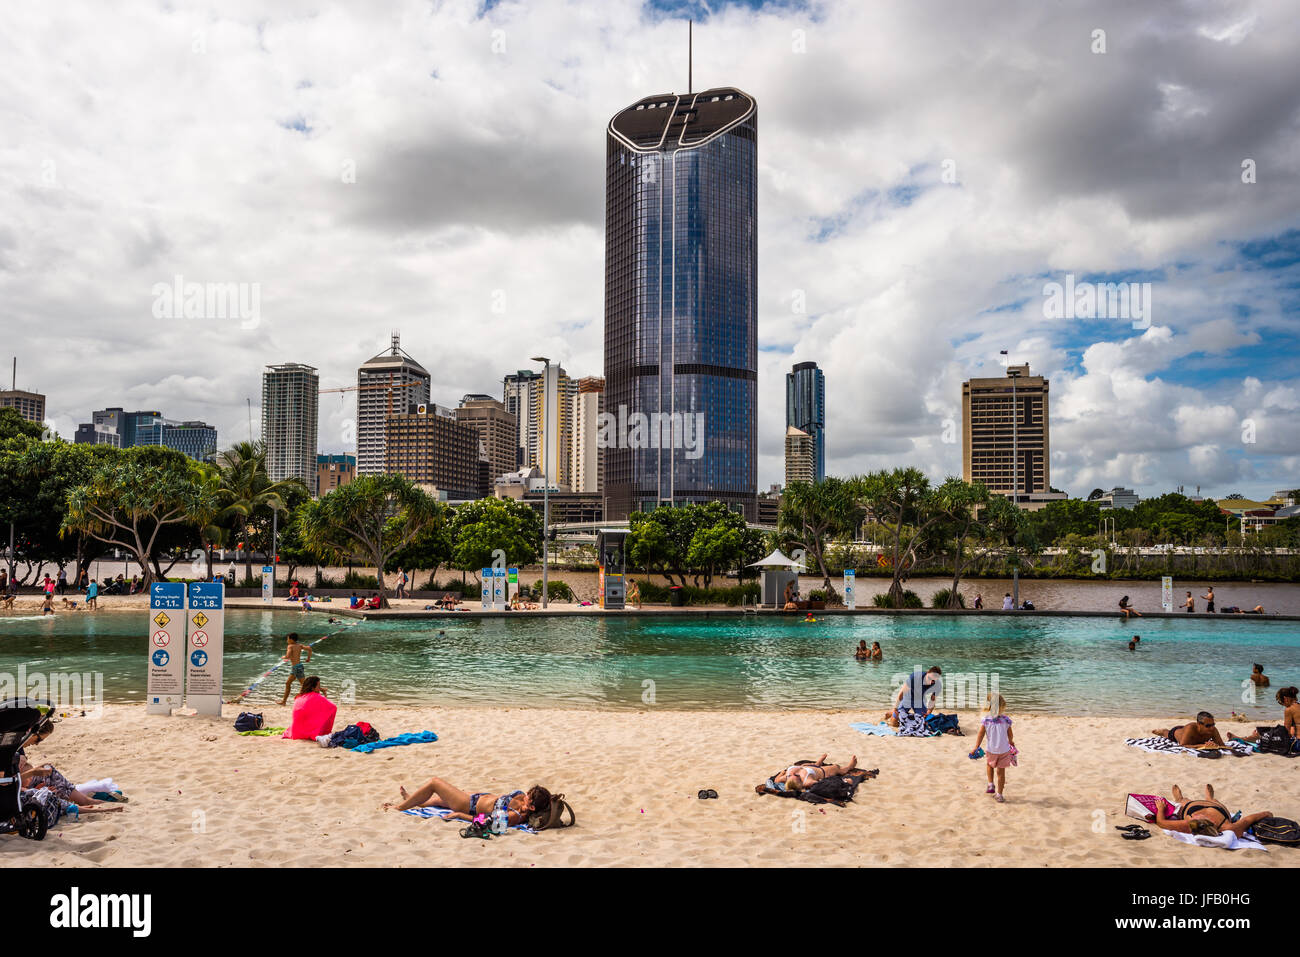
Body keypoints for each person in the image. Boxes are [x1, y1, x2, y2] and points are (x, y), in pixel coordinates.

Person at [383, 777, 551, 826]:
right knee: (438, 801)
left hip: (468, 805)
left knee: (435, 783)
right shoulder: (522, 800)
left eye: (529, 796)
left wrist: (459, 815)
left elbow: (486, 822)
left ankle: (399, 807)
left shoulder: (514, 816)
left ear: (532, 806)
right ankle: (413, 800)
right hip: (478, 797)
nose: (525, 795)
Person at [1149, 783, 1272, 840]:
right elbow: (1248, 820)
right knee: (1215, 801)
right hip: (1216, 808)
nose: (1198, 816)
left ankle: (1180, 798)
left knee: (1183, 803)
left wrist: (1160, 809)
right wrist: (1266, 814)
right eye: (1198, 817)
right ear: (1212, 821)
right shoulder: (1228, 827)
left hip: (1191, 807)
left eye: (1195, 818)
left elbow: (1161, 822)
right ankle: (1210, 798)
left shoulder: (1188, 824)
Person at [970, 693, 1016, 803]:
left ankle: (990, 784)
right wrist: (1011, 742)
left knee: (989, 764)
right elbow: (1010, 734)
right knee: (1001, 773)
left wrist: (976, 746)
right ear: (1002, 706)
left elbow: (980, 734)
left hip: (991, 750)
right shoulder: (1006, 720)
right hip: (1004, 750)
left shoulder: (986, 720)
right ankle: (999, 795)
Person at [1231, 687, 1300, 749]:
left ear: (1285, 699)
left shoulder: (1289, 709)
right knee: (1268, 733)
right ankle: (1249, 738)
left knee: (1263, 734)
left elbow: (1286, 733)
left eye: (1281, 702)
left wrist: (1267, 735)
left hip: (1298, 744)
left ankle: (1243, 739)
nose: (1283, 705)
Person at [760, 754, 858, 793]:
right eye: (796, 777)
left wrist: (782, 773)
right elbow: (821, 784)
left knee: (804, 764)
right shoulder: (807, 782)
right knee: (837, 768)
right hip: (821, 772)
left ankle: (816, 763)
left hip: (807, 766)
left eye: (791, 776)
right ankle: (849, 767)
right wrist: (843, 781)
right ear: (800, 783)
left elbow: (776, 780)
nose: (793, 774)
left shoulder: (786, 778)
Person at [1152, 712, 1226, 748]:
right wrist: (1203, 745)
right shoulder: (1191, 728)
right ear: (1199, 724)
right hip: (1176, 733)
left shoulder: (1213, 730)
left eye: (1213, 724)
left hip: (1186, 731)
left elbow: (1222, 745)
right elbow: (1182, 745)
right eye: (1208, 726)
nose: (1211, 727)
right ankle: (1163, 731)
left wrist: (1215, 745)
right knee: (1166, 733)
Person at [278, 632, 313, 705]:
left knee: (305, 686)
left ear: (291, 639)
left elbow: (287, 656)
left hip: (297, 668)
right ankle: (284, 702)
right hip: (297, 667)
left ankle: (315, 696)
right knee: (288, 683)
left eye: (287, 639)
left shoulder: (290, 646)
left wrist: (283, 657)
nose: (287, 640)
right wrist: (308, 659)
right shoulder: (299, 645)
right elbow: (309, 649)